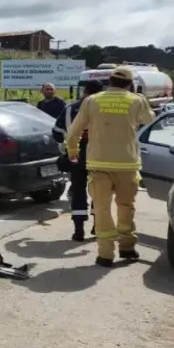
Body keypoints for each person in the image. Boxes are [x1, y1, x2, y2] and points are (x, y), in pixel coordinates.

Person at [65, 67, 154, 267]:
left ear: (109, 81)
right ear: (130, 84)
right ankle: (127, 247)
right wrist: (139, 97)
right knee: (126, 206)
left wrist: (72, 150)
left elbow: (74, 131)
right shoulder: (137, 100)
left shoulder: (92, 101)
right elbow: (150, 119)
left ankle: (105, 254)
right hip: (127, 164)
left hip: (98, 163)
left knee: (102, 208)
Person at [52, 80, 104, 242]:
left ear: (84, 91)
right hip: (100, 154)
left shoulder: (70, 108)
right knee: (100, 191)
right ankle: (98, 226)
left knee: (78, 191)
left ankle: (79, 230)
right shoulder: (105, 109)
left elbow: (57, 134)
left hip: (76, 154)